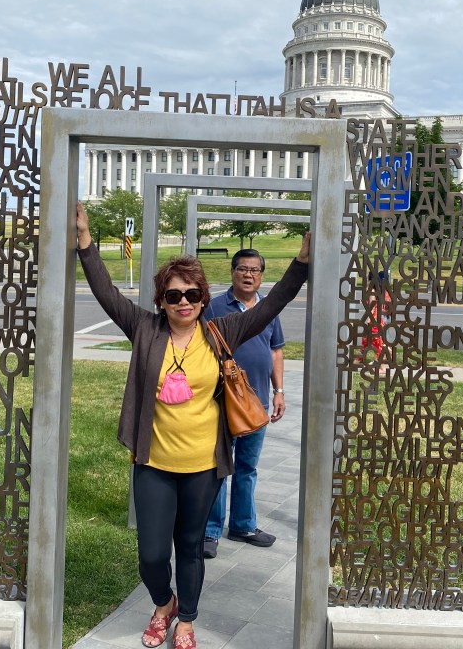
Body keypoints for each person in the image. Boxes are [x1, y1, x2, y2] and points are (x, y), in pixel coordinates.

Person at [75, 203, 310, 649]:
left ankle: (186, 620)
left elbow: (275, 302)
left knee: (190, 546)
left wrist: (300, 263)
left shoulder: (221, 332)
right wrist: (85, 242)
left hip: (203, 466)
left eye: (192, 294)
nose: (183, 302)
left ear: (203, 298)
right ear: (161, 300)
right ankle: (163, 603)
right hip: (155, 464)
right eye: (173, 295)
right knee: (151, 555)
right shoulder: (144, 329)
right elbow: (106, 292)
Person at [202, 249, 286, 558]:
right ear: (232, 272)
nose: (248, 275)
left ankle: (243, 525)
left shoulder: (268, 309)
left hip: (257, 403)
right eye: (242, 269)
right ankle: (210, 531)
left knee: (247, 467)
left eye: (254, 270)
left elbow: (276, 350)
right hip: (222, 403)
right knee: (219, 467)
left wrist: (279, 391)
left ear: (261, 275)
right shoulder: (214, 307)